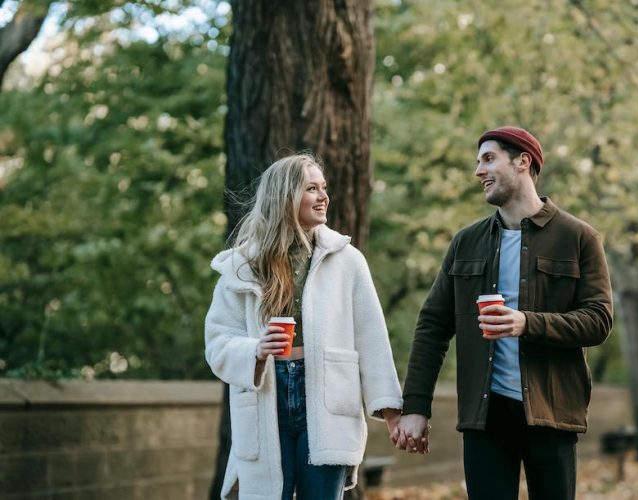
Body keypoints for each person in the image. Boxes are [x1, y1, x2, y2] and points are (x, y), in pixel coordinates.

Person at [396, 127, 614, 499]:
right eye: (479, 162)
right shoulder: (466, 242)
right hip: (486, 418)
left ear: (523, 161)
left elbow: (598, 320)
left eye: (488, 158)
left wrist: (527, 322)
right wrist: (416, 406)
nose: (478, 171)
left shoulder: (579, 237)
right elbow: (432, 325)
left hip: (553, 413)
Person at [205, 153, 403, 500]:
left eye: (323, 187)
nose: (324, 196)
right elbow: (217, 342)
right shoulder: (240, 267)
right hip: (267, 395)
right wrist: (255, 349)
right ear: (284, 197)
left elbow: (371, 337)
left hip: (327, 395)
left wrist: (391, 411)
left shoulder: (347, 260)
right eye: (312, 188)